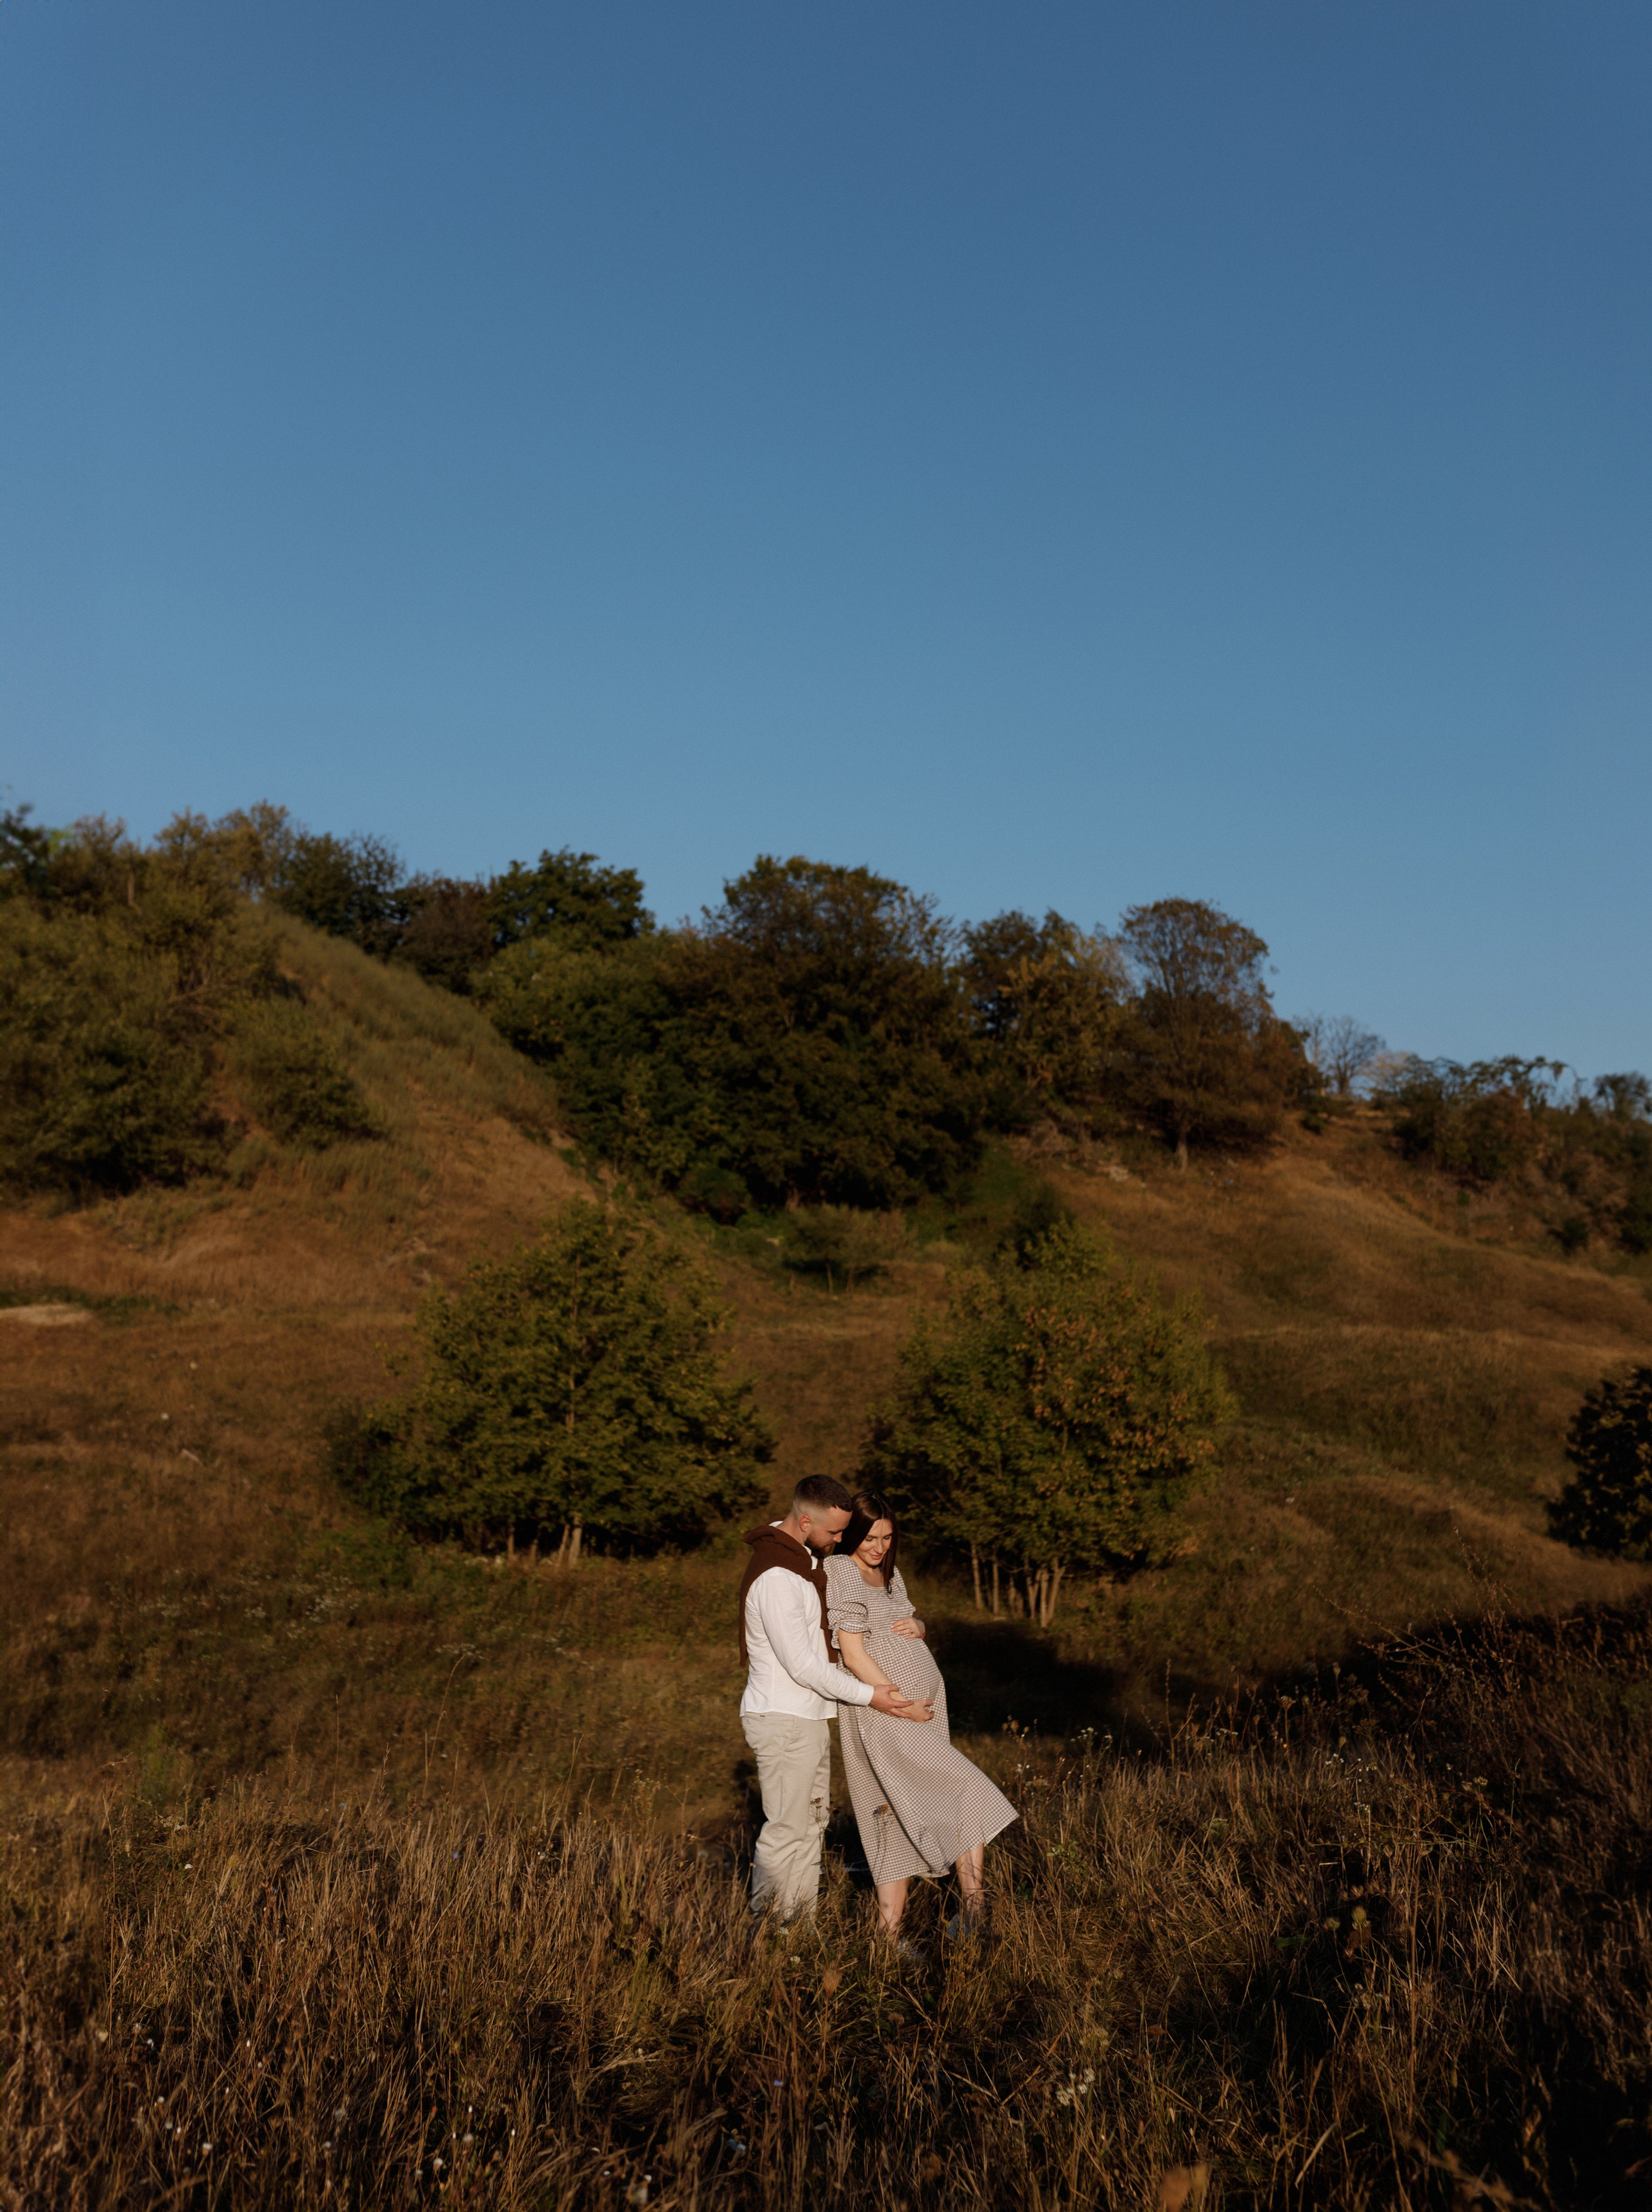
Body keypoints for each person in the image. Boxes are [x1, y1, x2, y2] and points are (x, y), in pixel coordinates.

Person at [738, 1474, 932, 1927]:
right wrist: (872, 1695)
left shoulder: (801, 1561)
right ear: (806, 1520)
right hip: (783, 1717)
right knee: (786, 1829)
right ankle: (769, 1929)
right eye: (835, 1531)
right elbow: (803, 1665)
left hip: (807, 1717)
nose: (842, 1539)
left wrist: (918, 1627)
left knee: (812, 1825)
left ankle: (798, 1925)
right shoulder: (777, 1578)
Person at [826, 1490, 1017, 1945]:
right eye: (870, 1537)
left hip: (918, 1711)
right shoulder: (841, 1570)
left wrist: (922, 1629)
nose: (879, 1546)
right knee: (965, 1788)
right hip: (884, 1712)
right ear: (852, 1533)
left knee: (893, 1813)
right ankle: (973, 1912)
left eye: (887, 1537)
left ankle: (887, 1940)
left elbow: (905, 1622)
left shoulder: (890, 1574)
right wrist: (898, 1702)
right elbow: (852, 1653)